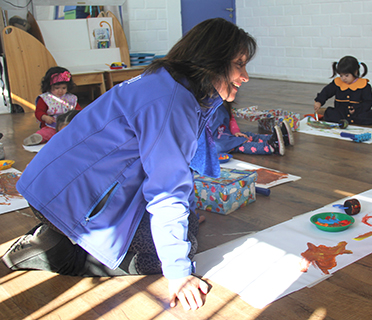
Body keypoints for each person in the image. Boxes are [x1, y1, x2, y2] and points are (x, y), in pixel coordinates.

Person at [2, 18, 257, 310]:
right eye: (239, 64)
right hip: (63, 200)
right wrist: (178, 274)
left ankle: (61, 234)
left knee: (184, 227)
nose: (245, 76)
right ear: (211, 60)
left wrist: (185, 214)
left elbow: (177, 168)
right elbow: (166, 190)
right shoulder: (173, 102)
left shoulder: (170, 84)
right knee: (171, 252)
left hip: (57, 188)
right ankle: (57, 251)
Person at [313, 55, 372, 125]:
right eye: (341, 75)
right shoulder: (337, 83)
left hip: (358, 112)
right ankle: (324, 112)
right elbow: (326, 92)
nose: (343, 78)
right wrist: (319, 101)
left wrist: (357, 109)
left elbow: (368, 101)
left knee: (364, 118)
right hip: (341, 112)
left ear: (356, 72)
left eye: (346, 75)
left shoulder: (364, 85)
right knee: (334, 115)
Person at [23, 67, 82, 146]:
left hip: (67, 125)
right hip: (51, 126)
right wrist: (45, 117)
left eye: (63, 88)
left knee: (76, 130)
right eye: (56, 88)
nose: (60, 91)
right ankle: (38, 137)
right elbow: (39, 112)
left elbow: (78, 110)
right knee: (48, 133)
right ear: (49, 86)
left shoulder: (72, 98)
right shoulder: (45, 98)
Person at [210, 101, 293, 156]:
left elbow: (231, 120)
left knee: (247, 135)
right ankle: (271, 147)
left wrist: (235, 132)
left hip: (226, 134)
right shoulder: (204, 106)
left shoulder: (222, 104)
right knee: (241, 145)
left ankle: (281, 138)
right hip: (217, 143)